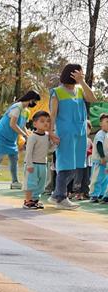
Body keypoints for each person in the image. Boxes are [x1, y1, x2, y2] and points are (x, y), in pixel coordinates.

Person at [49, 64, 96, 209]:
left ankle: (56, 195)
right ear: (71, 73)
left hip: (80, 133)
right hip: (65, 133)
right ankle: (60, 197)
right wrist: (51, 132)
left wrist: (82, 81)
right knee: (66, 166)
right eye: (79, 73)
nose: (81, 75)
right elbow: (53, 114)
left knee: (76, 166)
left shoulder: (80, 89)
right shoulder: (57, 92)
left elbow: (92, 99)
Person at [0, 90, 40, 190]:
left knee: (14, 157)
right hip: (0, 135)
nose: (35, 103)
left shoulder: (26, 111)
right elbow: (12, 124)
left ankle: (15, 182)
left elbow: (22, 126)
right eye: (35, 101)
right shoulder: (17, 107)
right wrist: (25, 136)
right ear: (30, 99)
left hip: (11, 138)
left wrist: (29, 135)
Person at [22, 110, 55, 210]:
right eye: (42, 121)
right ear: (35, 124)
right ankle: (28, 201)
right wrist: (29, 164)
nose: (46, 123)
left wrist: (55, 143)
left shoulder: (47, 136)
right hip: (32, 164)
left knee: (41, 184)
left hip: (43, 163)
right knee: (30, 183)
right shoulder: (32, 137)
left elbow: (49, 149)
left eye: (48, 121)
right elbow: (28, 152)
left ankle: (35, 200)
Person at [90, 113, 108, 203]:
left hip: (105, 162)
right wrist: (102, 157)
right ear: (101, 124)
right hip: (99, 160)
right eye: (107, 122)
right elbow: (99, 144)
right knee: (96, 179)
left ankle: (101, 194)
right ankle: (94, 194)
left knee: (104, 179)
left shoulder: (106, 134)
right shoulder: (100, 134)